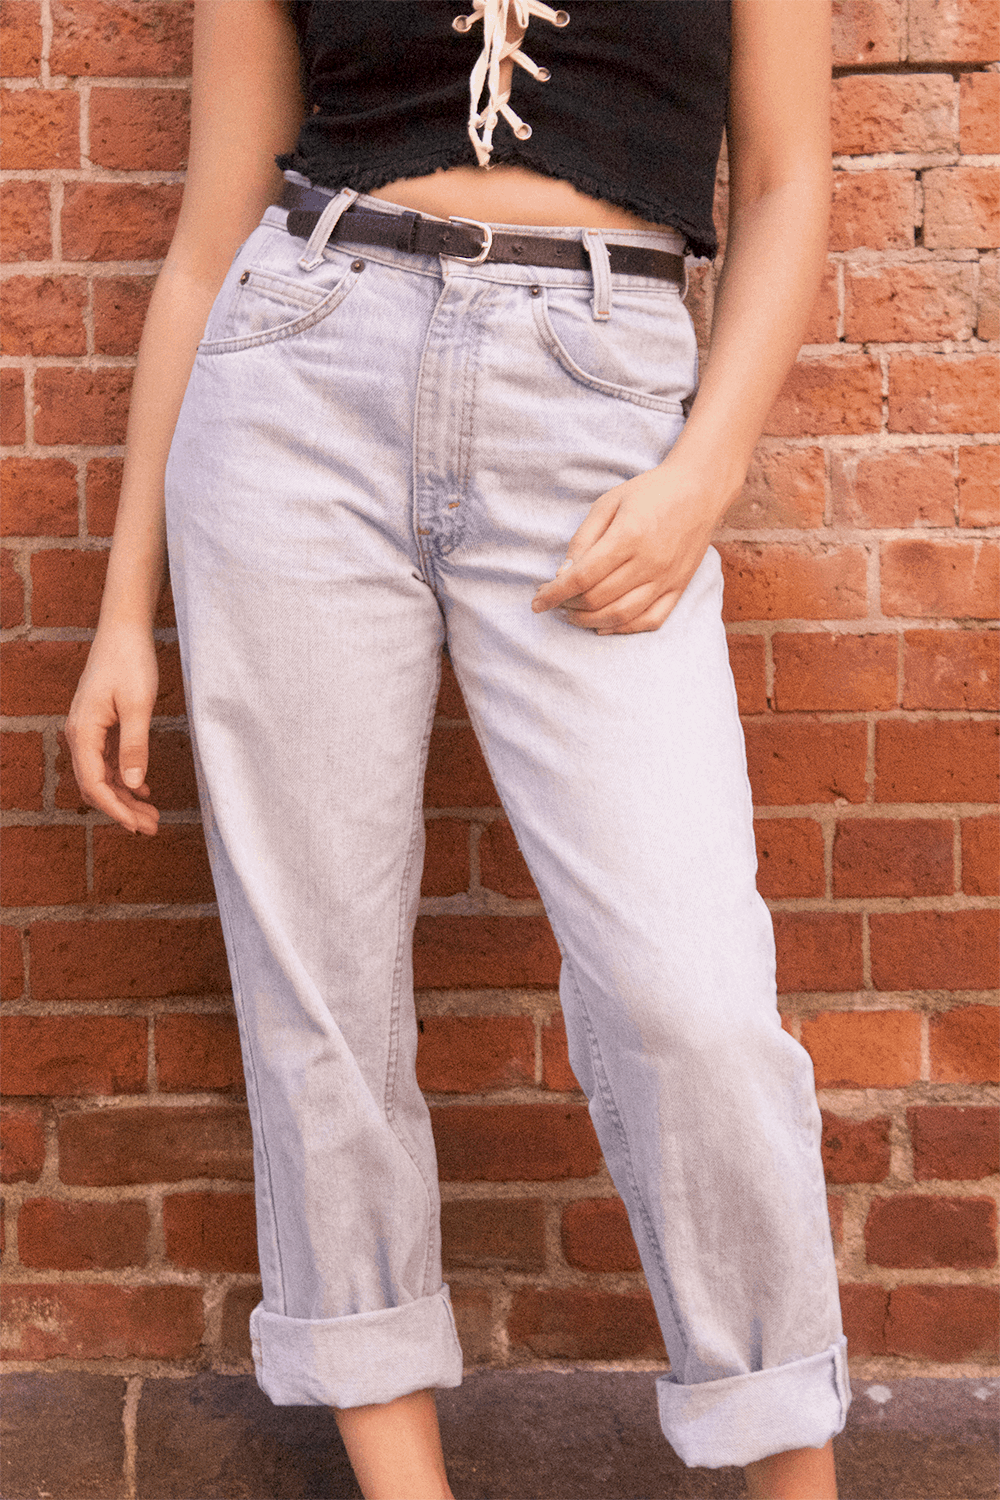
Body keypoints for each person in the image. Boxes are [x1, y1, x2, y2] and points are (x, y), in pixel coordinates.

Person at [66, 1, 848, 1495]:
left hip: (601, 399)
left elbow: (791, 175)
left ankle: (790, 1473)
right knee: (320, 990)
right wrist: (121, 611)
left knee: (693, 993)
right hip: (299, 369)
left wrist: (706, 467)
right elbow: (206, 231)